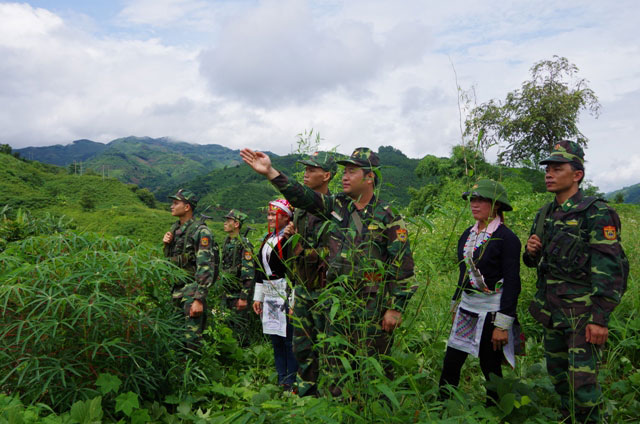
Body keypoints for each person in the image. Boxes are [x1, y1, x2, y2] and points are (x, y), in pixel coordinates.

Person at [241, 147, 415, 396]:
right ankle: (336, 408)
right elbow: (303, 197)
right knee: (336, 361)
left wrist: (395, 307)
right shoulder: (337, 206)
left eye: (352, 171)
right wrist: (270, 172)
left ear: (370, 177)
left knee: (375, 363)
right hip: (338, 302)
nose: (344, 176)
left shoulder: (388, 217)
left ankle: (376, 409)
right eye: (344, 171)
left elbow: (403, 265)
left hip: (372, 306)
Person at [523, 140, 629, 423]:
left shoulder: (596, 213)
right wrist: (531, 252)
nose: (549, 174)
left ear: (577, 174)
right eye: (548, 169)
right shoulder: (545, 214)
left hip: (583, 317)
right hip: (552, 312)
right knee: (559, 380)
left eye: (558, 169)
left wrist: (600, 318)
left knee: (583, 389)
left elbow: (610, 268)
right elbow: (537, 263)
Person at [438, 179, 522, 406]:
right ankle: (442, 407)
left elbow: (513, 282)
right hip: (467, 308)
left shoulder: (507, 239)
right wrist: (456, 304)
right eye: (472, 200)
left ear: (496, 205)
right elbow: (463, 273)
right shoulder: (468, 234)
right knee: (452, 360)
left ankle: (495, 411)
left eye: (481, 200)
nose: (474, 204)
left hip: (492, 312)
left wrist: (502, 324)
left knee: (490, 365)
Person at [286, 152, 337, 397]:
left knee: (329, 346)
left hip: (326, 290)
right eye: (304, 169)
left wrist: (305, 252)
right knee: (302, 346)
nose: (305, 173)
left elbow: (341, 250)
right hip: (304, 287)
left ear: (326, 176)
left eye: (311, 169)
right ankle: (306, 392)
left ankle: (330, 395)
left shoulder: (335, 210)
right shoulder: (300, 210)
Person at [163, 189, 219, 350]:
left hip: (191, 292)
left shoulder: (201, 231)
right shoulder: (176, 230)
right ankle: (179, 373)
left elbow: (205, 266)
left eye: (176, 203)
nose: (171, 206)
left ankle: (193, 373)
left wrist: (198, 299)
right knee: (176, 339)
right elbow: (172, 261)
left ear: (187, 207)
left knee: (192, 342)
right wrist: (166, 245)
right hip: (177, 290)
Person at [253, 199, 299, 391]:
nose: (270, 218)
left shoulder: (290, 240)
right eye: (269, 214)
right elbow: (259, 269)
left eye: (275, 214)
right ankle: (282, 377)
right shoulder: (268, 238)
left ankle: (292, 380)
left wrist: (294, 300)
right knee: (275, 336)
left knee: (288, 338)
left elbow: (296, 272)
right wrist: (258, 297)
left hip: (285, 292)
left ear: (287, 217)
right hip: (270, 292)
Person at [219, 209, 256, 346]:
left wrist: (243, 297)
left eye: (228, 221)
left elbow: (248, 273)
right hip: (226, 293)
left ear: (236, 224)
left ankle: (243, 359)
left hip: (237, 294)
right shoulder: (227, 242)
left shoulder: (244, 244)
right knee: (226, 327)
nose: (225, 223)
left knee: (240, 329)